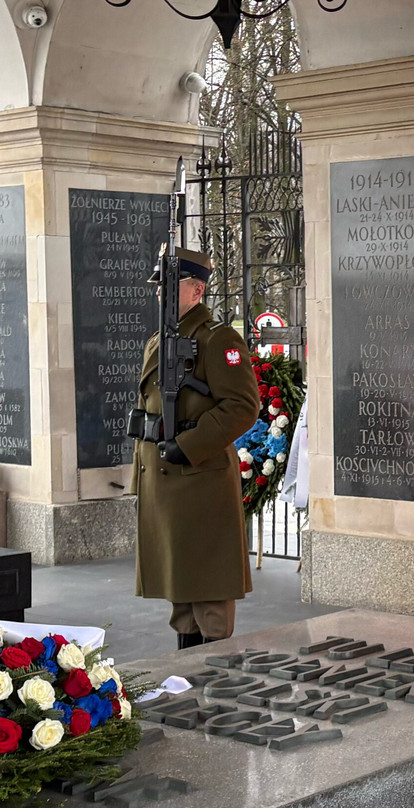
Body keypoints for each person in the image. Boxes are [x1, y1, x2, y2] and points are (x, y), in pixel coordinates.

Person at [130, 247, 260, 649]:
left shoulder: (218, 339)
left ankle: (217, 684)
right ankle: (186, 679)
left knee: (209, 596)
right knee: (181, 596)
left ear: (197, 290)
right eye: (158, 285)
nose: (158, 293)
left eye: (169, 285)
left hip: (198, 478)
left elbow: (243, 407)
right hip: (165, 480)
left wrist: (188, 446)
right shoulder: (159, 340)